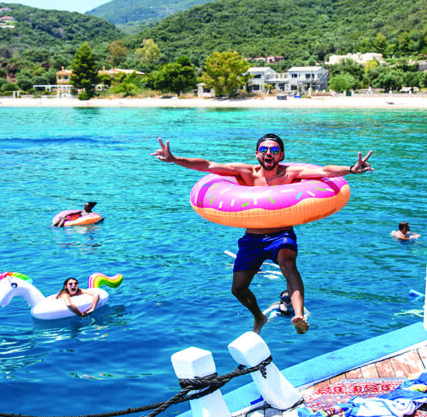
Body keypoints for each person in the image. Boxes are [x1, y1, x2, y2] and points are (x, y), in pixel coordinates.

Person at [153, 133, 373, 335]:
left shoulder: (290, 174)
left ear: (282, 155)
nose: (270, 153)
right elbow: (208, 165)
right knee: (238, 289)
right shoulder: (246, 172)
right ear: (257, 153)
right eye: (265, 150)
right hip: (253, 239)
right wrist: (175, 159)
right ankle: (259, 317)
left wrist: (351, 169)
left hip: (281, 234)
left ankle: (298, 314)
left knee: (288, 263)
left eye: (275, 150)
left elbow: (325, 171)